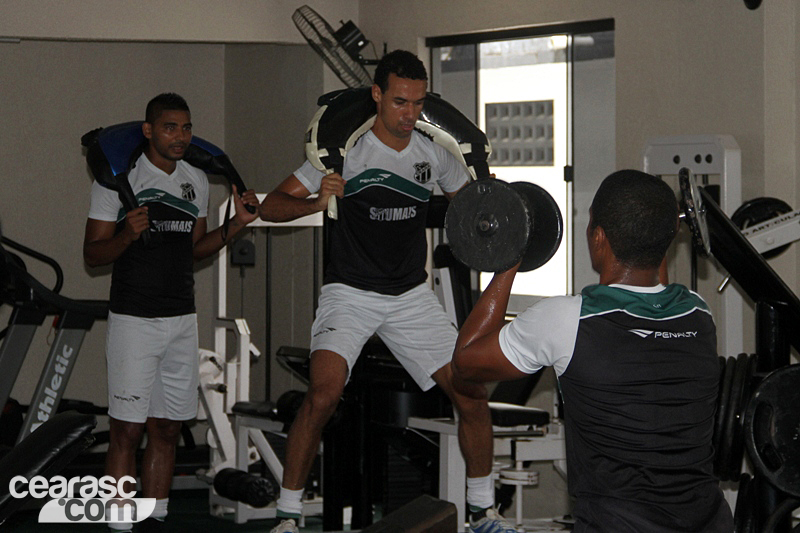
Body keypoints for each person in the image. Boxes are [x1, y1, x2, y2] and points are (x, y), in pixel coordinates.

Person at [259, 50, 516, 533]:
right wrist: (317, 201)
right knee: (322, 395)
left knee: (471, 394)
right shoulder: (345, 151)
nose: (409, 114)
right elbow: (271, 206)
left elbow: (472, 212)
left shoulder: (435, 152)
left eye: (418, 103)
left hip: (410, 297)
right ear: (377, 96)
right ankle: (288, 517)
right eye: (400, 102)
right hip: (350, 293)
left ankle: (484, 513)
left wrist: (495, 206)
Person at [453, 170, 734, 532]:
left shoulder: (566, 319)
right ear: (667, 241)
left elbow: (465, 362)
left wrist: (510, 253)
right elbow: (652, 286)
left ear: (598, 238)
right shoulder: (698, 313)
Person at [84, 93, 259, 532]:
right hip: (133, 321)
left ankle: (156, 515)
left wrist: (234, 226)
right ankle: (120, 522)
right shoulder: (117, 181)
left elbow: (194, 250)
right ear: (148, 131)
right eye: (169, 128)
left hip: (181, 319)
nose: (180, 137)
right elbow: (92, 253)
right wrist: (127, 235)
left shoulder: (196, 180)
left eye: (186, 128)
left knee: (165, 427)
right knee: (126, 430)